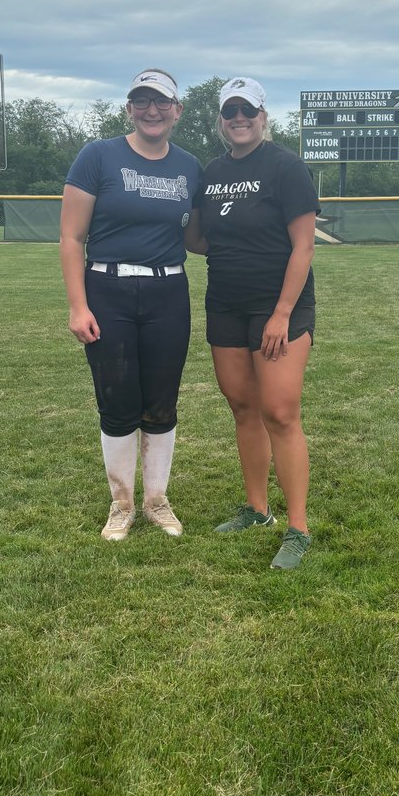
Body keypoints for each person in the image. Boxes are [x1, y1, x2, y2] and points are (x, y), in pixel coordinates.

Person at [60, 68, 202, 541]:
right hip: (108, 289)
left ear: (177, 111)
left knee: (161, 401)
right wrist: (79, 307)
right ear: (129, 108)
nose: (151, 111)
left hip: (168, 291)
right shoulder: (98, 156)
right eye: (141, 102)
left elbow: (198, 235)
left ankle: (156, 501)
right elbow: (71, 236)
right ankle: (121, 503)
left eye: (161, 102)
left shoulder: (189, 166)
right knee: (118, 400)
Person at [187, 77, 319, 570]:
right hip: (225, 303)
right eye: (229, 111)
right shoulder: (213, 171)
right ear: (220, 120)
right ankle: (257, 509)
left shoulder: (286, 167)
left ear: (264, 116)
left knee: (280, 413)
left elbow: (304, 246)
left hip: (278, 308)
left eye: (248, 110)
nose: (238, 118)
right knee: (242, 406)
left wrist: (282, 313)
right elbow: (198, 239)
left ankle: (298, 528)